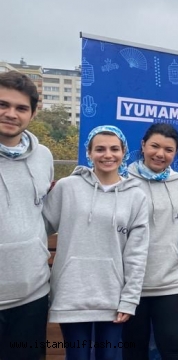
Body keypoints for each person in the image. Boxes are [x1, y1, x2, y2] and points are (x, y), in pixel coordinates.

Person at [43, 125, 150, 360]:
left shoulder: (136, 196)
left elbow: (137, 253)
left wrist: (129, 299)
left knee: (110, 357)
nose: (107, 155)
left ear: (124, 152)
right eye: (99, 149)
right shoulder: (67, 187)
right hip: (72, 294)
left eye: (114, 149)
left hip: (112, 296)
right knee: (77, 356)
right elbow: (39, 230)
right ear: (89, 153)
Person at [0, 71, 53, 360]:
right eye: (2, 105)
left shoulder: (43, 155)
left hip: (32, 293)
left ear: (32, 113)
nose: (11, 114)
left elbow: (42, 211)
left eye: (21, 108)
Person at [122, 123, 178, 360]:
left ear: (176, 153)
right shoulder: (123, 181)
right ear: (143, 145)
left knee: (174, 348)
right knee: (133, 351)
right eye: (155, 146)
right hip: (131, 287)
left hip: (170, 283)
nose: (160, 154)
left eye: (168, 150)